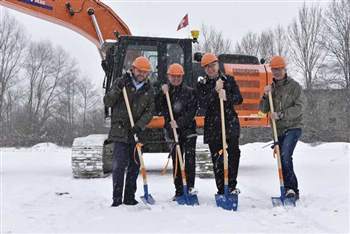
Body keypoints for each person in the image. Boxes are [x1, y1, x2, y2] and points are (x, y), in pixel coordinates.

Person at [104, 56, 155, 207]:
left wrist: (139, 126)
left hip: (137, 132)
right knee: (119, 165)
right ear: (133, 69)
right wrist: (118, 88)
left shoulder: (149, 89)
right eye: (139, 70)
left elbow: (149, 111)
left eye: (145, 72)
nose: (141, 74)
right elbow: (108, 101)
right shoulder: (121, 83)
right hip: (120, 131)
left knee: (134, 166)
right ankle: (117, 199)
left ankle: (129, 197)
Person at [197, 53, 243, 196]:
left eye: (212, 65)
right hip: (213, 126)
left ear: (217, 65)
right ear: (204, 69)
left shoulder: (228, 80)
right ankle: (221, 188)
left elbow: (239, 99)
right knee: (218, 158)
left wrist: (226, 96)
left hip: (230, 123)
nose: (210, 69)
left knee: (234, 154)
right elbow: (201, 104)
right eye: (207, 67)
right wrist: (214, 91)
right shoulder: (202, 84)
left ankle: (231, 186)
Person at [259, 55, 305, 200]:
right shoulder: (270, 87)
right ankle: (286, 189)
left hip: (293, 127)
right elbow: (263, 110)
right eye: (274, 70)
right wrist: (266, 96)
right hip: (277, 130)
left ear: (284, 69)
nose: (277, 72)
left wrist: (281, 115)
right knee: (281, 159)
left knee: (285, 156)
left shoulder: (294, 87)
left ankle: (292, 189)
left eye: (279, 69)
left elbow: (300, 107)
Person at [157, 63, 198, 200]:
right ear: (168, 76)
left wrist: (179, 123)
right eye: (173, 76)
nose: (176, 79)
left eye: (178, 76)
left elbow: (191, 112)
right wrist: (161, 93)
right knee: (177, 160)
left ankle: (190, 187)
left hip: (189, 130)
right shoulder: (166, 93)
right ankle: (179, 189)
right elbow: (159, 108)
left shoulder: (190, 92)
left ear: (182, 77)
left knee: (190, 159)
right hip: (173, 132)